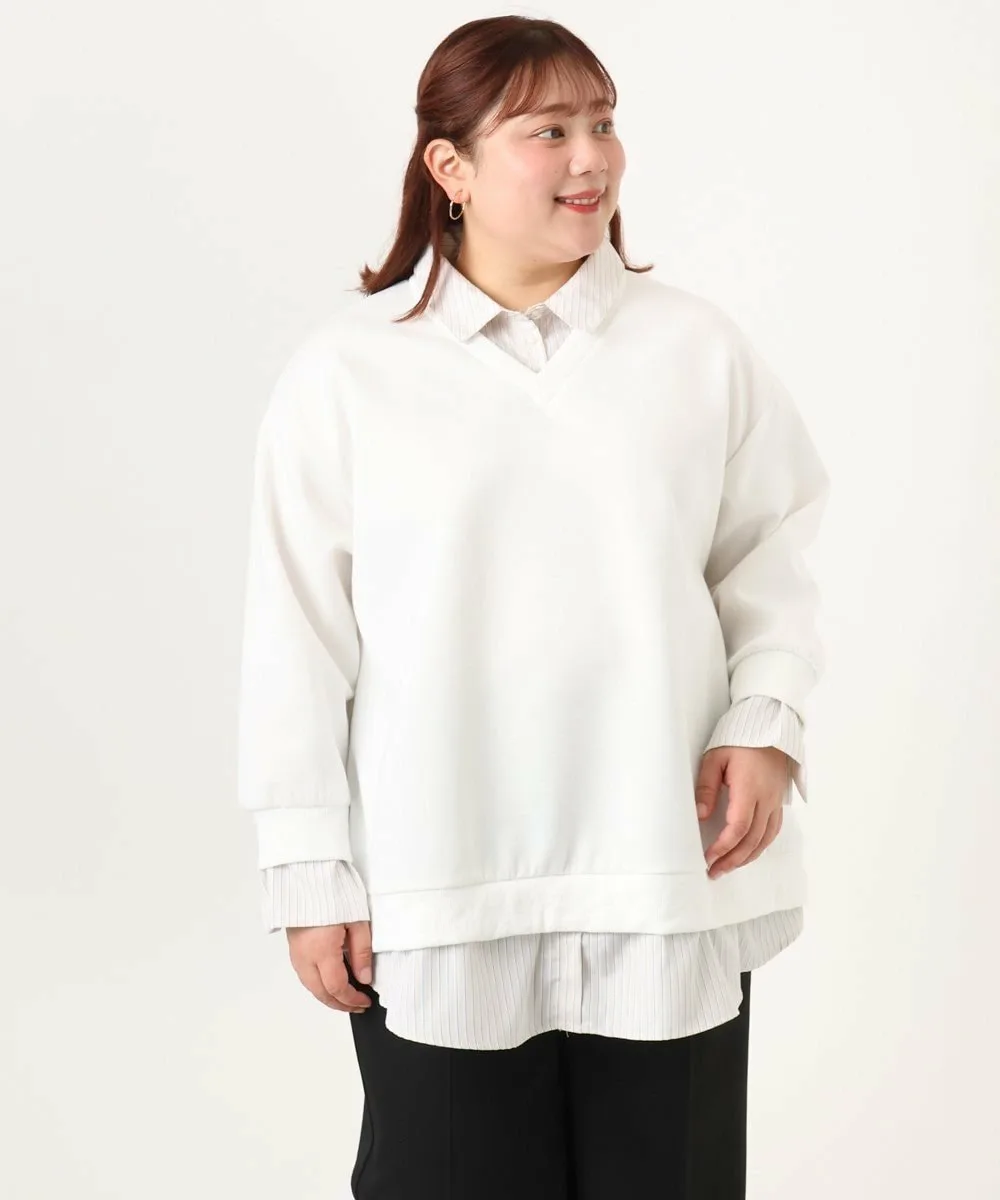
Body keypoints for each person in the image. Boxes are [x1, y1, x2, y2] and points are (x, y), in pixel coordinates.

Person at [236, 14, 830, 1199]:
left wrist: (764, 722)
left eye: (602, 123)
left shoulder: (695, 350)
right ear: (449, 166)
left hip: (661, 867)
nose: (591, 157)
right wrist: (307, 872)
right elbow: (296, 640)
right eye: (548, 130)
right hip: (438, 876)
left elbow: (767, 552)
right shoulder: (349, 374)